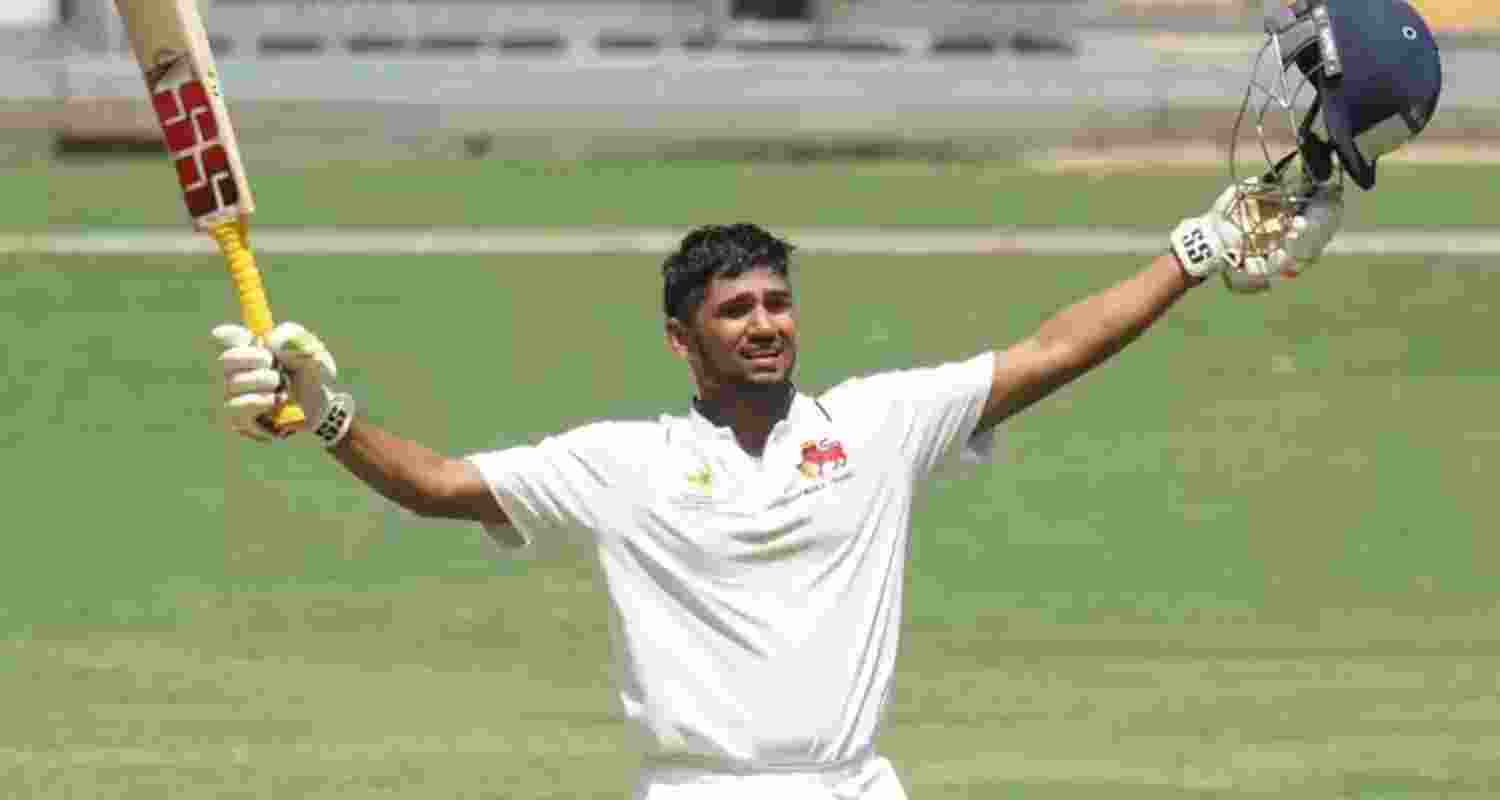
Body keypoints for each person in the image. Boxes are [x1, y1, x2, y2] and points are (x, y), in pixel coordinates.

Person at [211, 181, 1343, 798]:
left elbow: (1053, 350)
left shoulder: (879, 425)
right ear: (681, 335)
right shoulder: (623, 463)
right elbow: (441, 484)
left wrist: (1193, 251)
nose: (766, 323)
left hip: (857, 785)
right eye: (736, 309)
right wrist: (329, 412)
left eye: (776, 302)